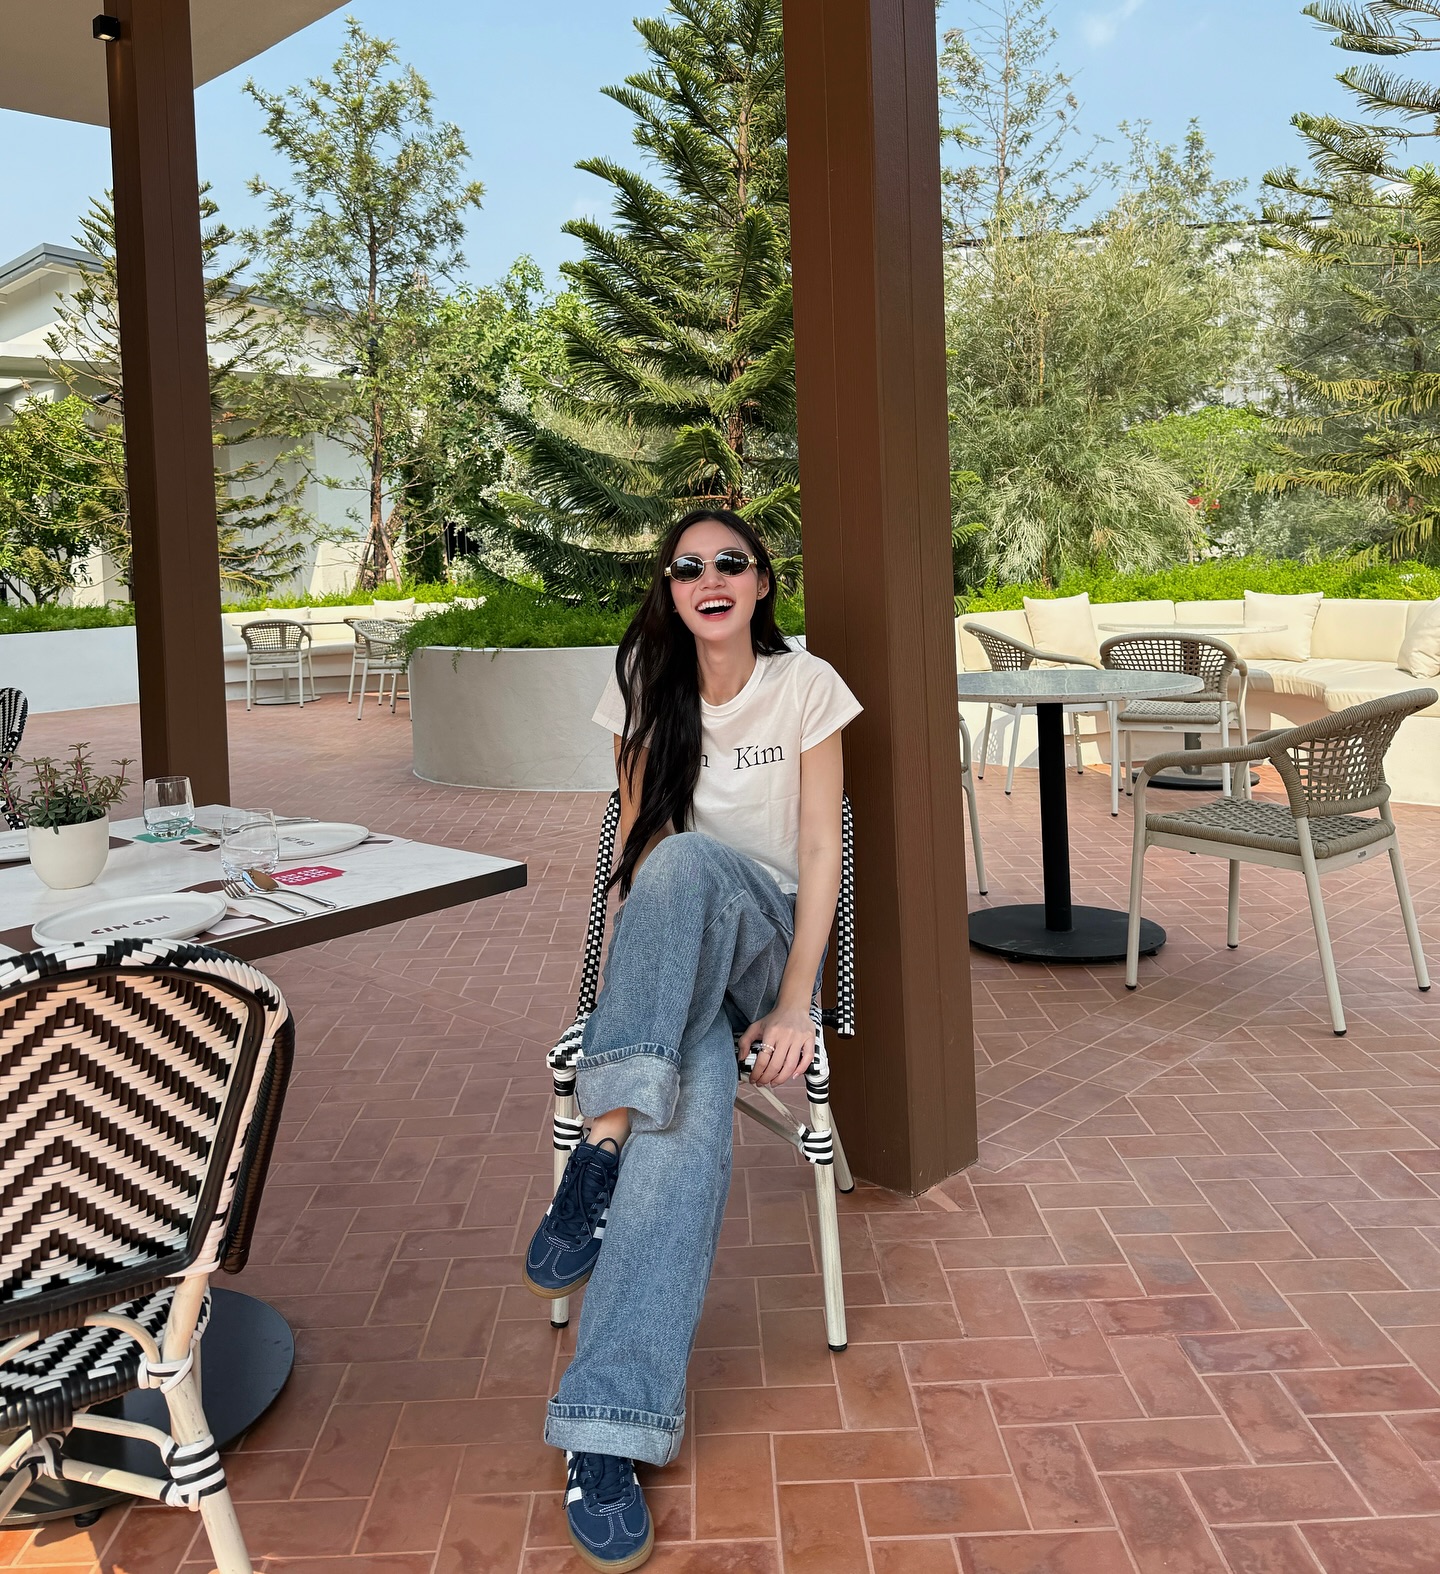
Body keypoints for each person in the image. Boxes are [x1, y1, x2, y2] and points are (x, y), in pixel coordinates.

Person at [521, 507, 861, 1571]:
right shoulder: (644, 682)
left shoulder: (807, 685)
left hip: (764, 945)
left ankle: (600, 1143)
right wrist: (657, 963)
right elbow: (637, 840)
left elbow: (820, 849)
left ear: (761, 583)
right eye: (686, 567)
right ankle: (606, 1432)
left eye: (729, 562)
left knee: (685, 863)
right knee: (690, 1112)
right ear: (669, 591)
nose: (708, 577)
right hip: (677, 975)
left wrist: (798, 1002)